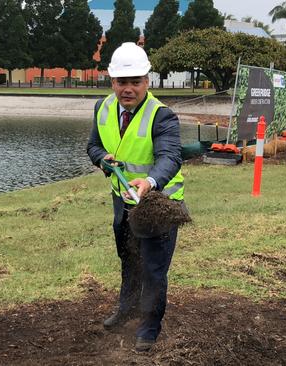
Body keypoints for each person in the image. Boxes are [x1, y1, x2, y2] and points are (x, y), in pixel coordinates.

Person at [86, 42, 185, 352]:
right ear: (112, 81)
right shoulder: (102, 108)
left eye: (135, 82)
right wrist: (103, 159)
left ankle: (149, 327)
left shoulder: (162, 116)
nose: (127, 89)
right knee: (129, 259)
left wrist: (152, 181)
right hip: (123, 204)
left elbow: (170, 156)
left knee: (154, 269)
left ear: (147, 81)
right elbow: (93, 146)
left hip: (159, 204)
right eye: (121, 82)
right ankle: (127, 308)